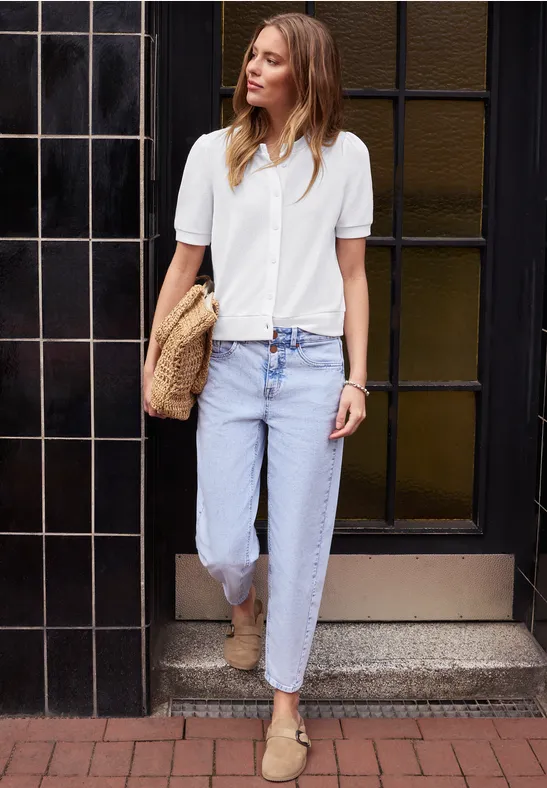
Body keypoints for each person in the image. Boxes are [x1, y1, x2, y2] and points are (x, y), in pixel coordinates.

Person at [143, 11, 373, 782]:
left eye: (271, 60)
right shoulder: (215, 155)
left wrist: (355, 378)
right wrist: (151, 360)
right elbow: (183, 265)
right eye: (251, 56)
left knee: (301, 546)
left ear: (304, 73)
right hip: (233, 365)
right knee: (223, 541)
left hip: (312, 367)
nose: (252, 68)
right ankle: (242, 604)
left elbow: (352, 277)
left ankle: (284, 709)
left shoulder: (345, 158)